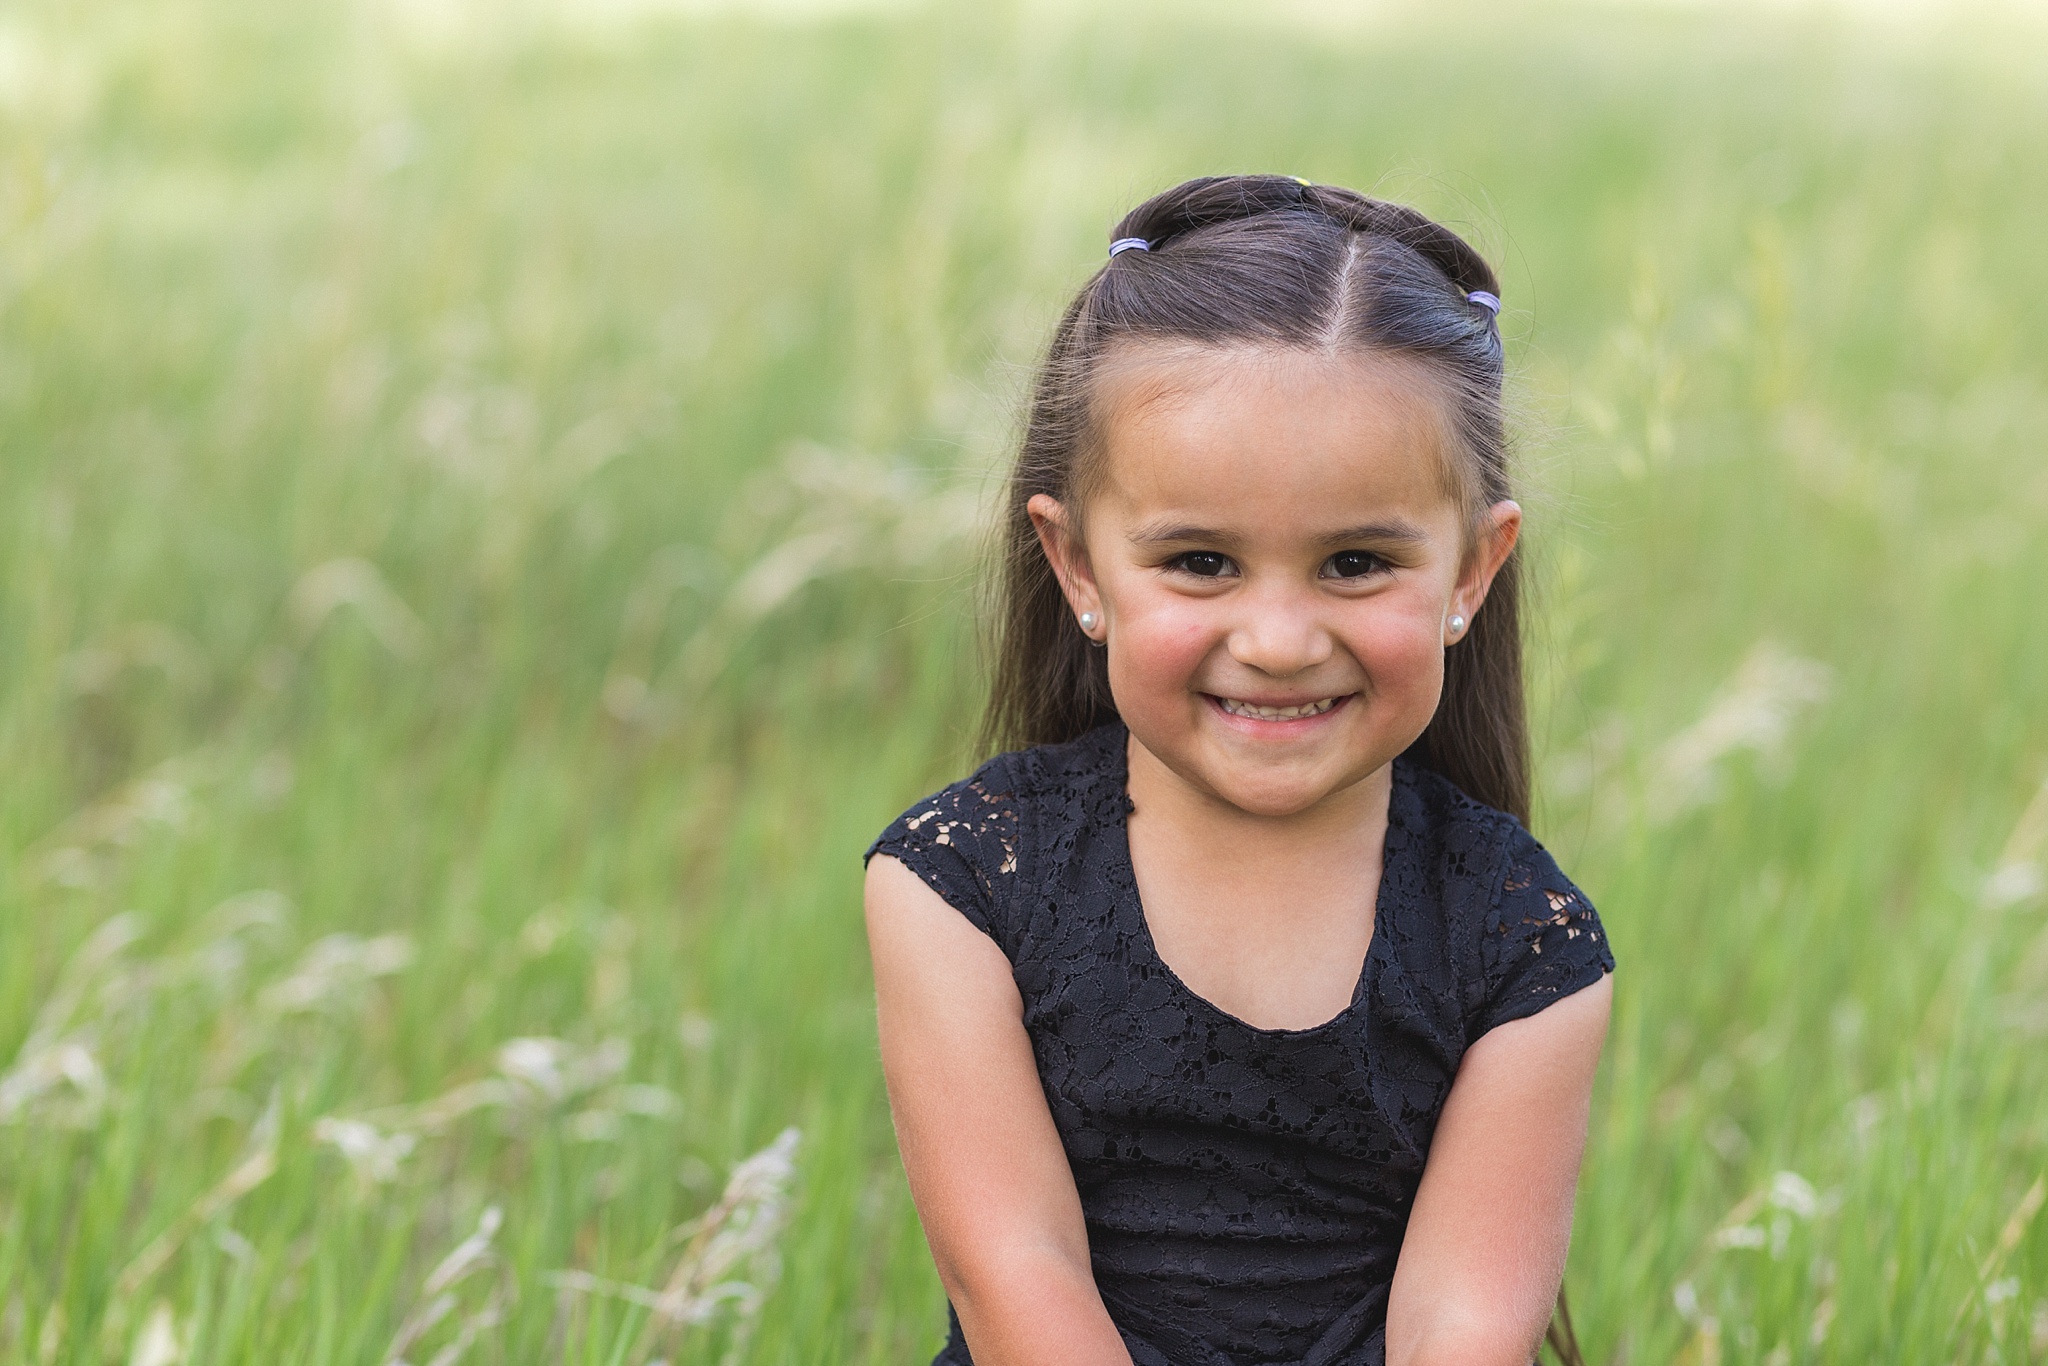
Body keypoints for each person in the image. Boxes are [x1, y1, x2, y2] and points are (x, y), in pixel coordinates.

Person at [863, 174, 1615, 1366]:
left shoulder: (1521, 939)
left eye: (1356, 562)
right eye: (1201, 559)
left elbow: (1463, 1329)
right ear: (1076, 566)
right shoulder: (963, 884)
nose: (1276, 639)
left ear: (1472, 570)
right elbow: (1016, 1281)